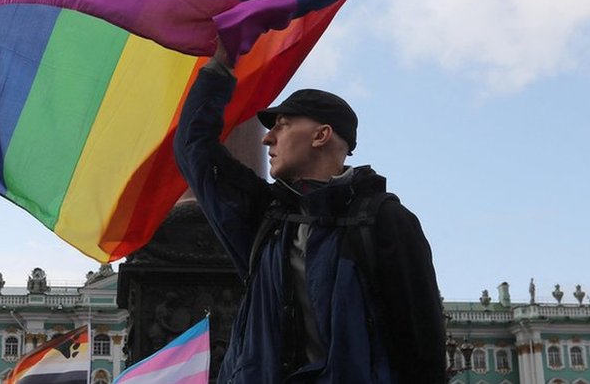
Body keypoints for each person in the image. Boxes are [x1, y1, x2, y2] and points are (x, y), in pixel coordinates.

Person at [173, 45, 445, 383]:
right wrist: (219, 67)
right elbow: (193, 148)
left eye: (283, 125)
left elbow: (423, 348)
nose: (267, 139)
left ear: (321, 135)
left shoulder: (385, 222)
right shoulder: (263, 218)